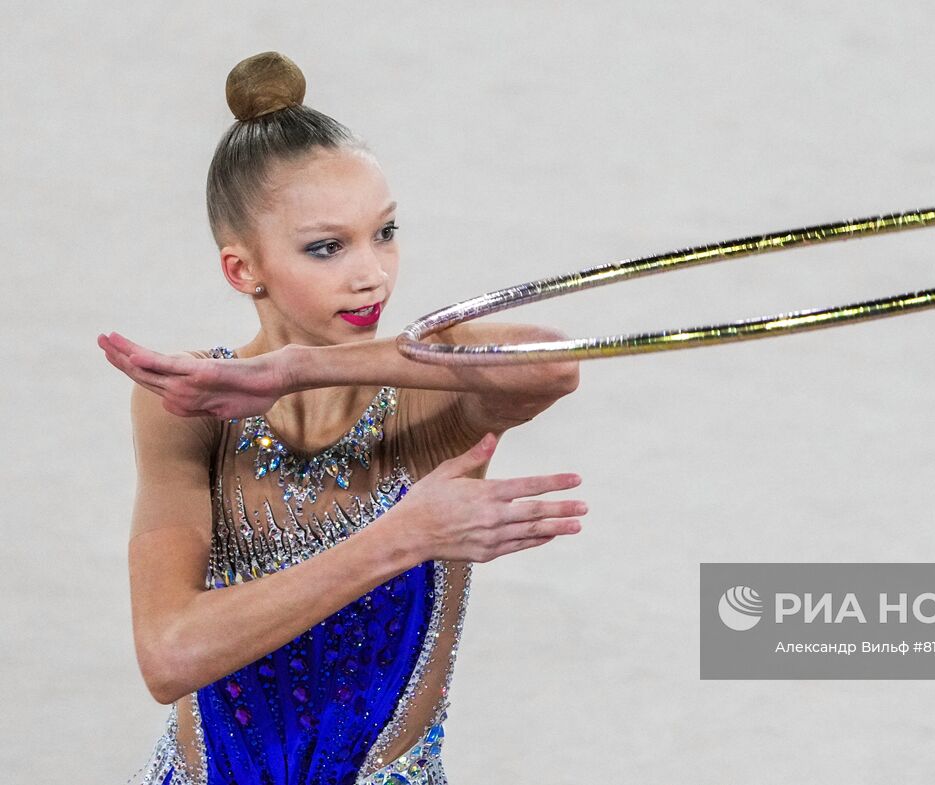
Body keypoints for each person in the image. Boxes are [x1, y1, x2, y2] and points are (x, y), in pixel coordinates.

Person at [104, 51, 588, 785]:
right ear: (244, 269)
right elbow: (171, 653)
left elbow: (556, 362)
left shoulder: (436, 398)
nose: (372, 274)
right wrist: (404, 536)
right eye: (327, 247)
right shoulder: (191, 406)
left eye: (385, 232)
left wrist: (300, 365)